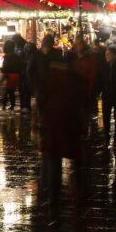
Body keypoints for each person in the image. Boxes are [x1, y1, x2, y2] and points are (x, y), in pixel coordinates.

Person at [38, 47, 87, 183]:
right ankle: (80, 191)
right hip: (72, 123)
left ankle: (52, 196)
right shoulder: (76, 79)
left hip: (52, 124)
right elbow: (83, 99)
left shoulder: (48, 78)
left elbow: (41, 100)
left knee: (53, 159)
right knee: (77, 158)